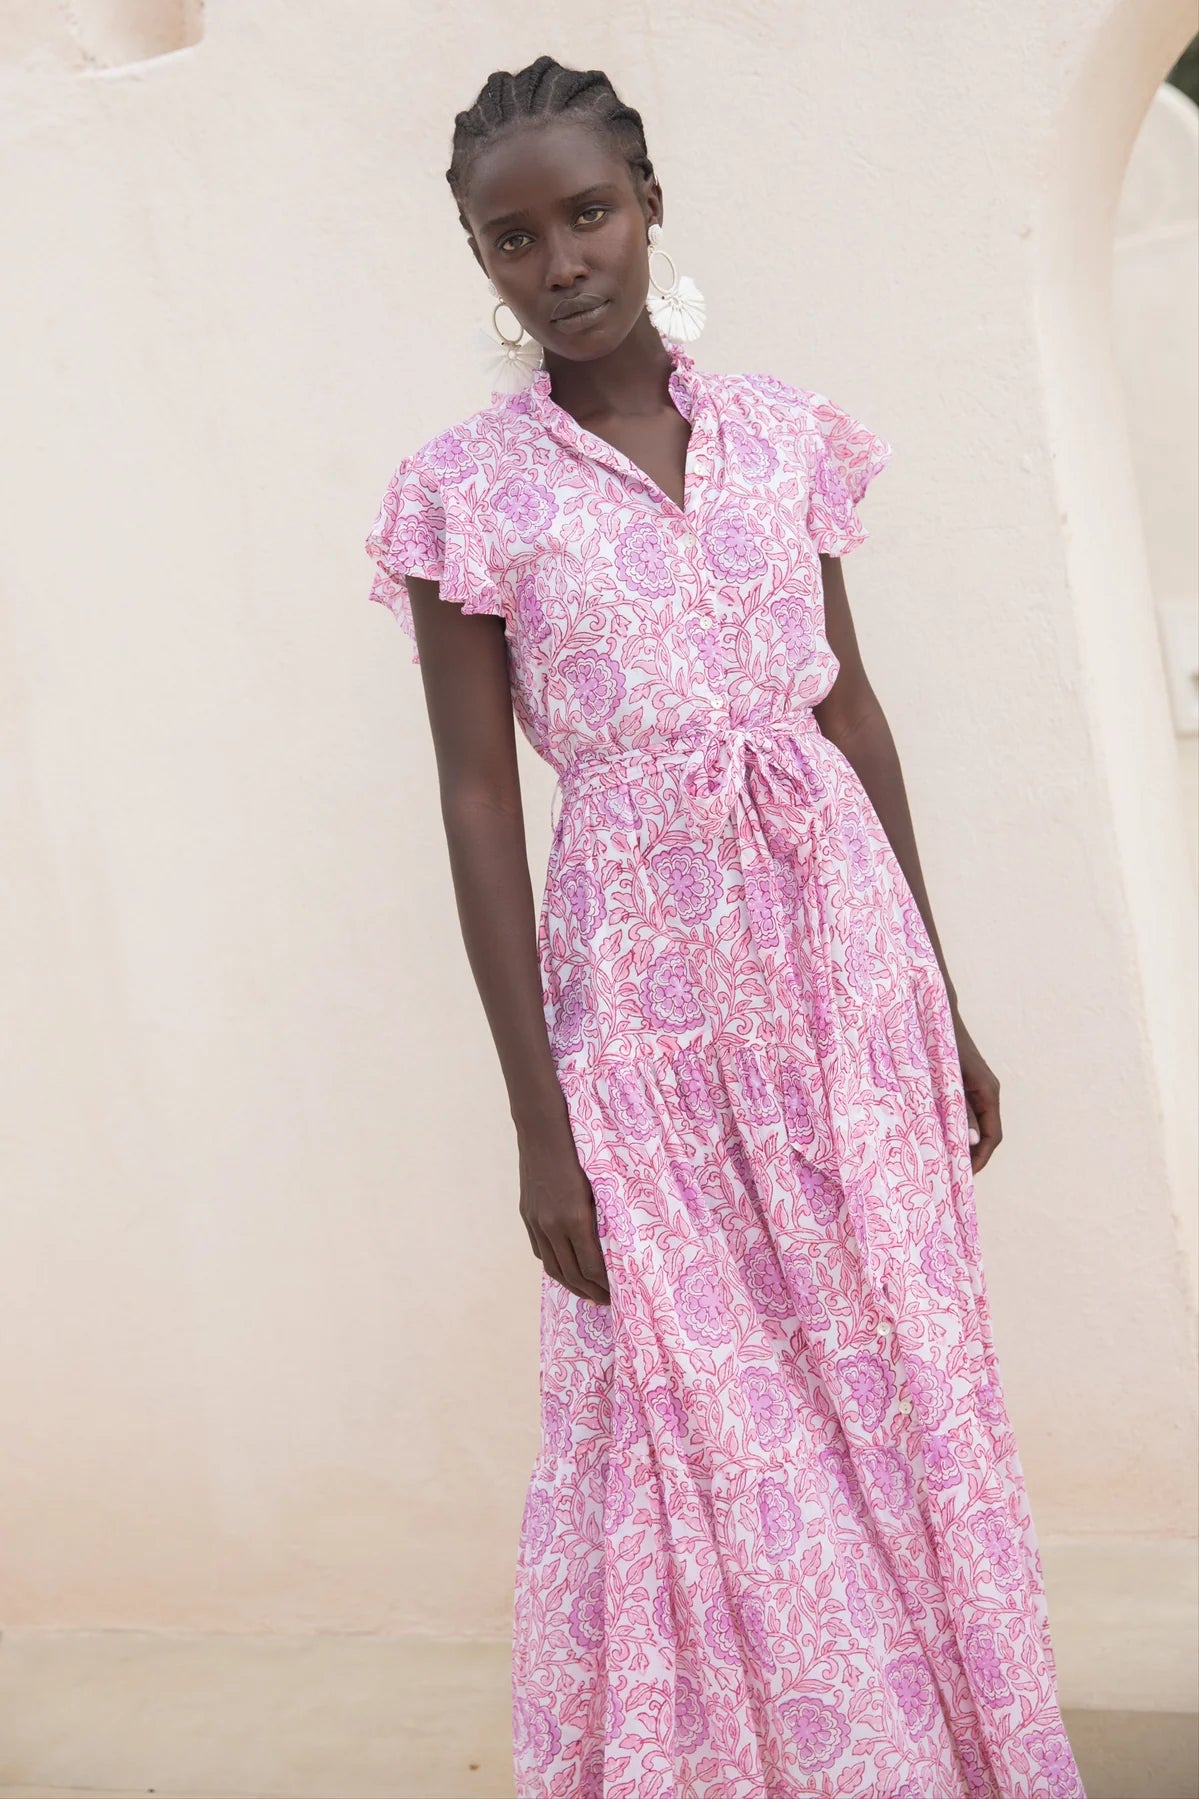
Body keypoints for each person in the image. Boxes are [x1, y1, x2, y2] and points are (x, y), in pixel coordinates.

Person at [364, 53, 1083, 1799]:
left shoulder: (779, 436)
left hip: (845, 981)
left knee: (896, 1375)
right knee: (702, 1412)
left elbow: (853, 716)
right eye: (513, 237)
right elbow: (477, 803)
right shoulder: (468, 495)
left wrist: (942, 1001)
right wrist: (542, 1124)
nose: (561, 263)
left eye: (587, 213)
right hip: (645, 1018)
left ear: (651, 204)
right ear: (479, 257)